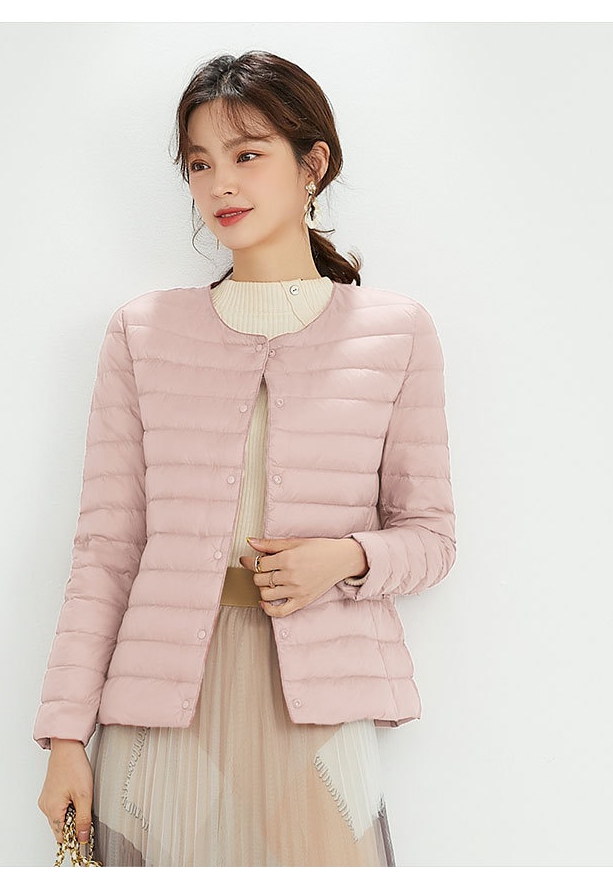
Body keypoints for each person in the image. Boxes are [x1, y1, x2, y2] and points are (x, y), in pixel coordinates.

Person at [34, 50, 456, 866]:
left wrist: (344, 556)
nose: (220, 182)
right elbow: (106, 552)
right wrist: (64, 734)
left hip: (318, 704)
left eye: (247, 154)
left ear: (313, 165)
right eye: (200, 163)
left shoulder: (396, 333)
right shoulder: (143, 333)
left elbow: (433, 537)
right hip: (162, 703)